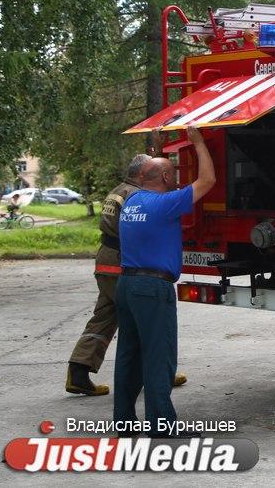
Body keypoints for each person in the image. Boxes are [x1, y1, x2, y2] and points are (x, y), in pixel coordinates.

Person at [113, 126, 215, 433]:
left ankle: (125, 423)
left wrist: (160, 149)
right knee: (159, 357)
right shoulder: (165, 205)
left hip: (127, 285)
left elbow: (154, 173)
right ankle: (161, 424)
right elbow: (208, 181)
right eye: (173, 173)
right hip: (151, 289)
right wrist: (198, 143)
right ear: (168, 180)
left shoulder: (131, 201)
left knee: (129, 356)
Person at [65, 154, 188, 396]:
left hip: (106, 261)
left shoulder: (118, 190)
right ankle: (158, 373)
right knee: (146, 319)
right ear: (142, 173)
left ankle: (78, 371)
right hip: (123, 262)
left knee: (105, 316)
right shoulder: (136, 195)